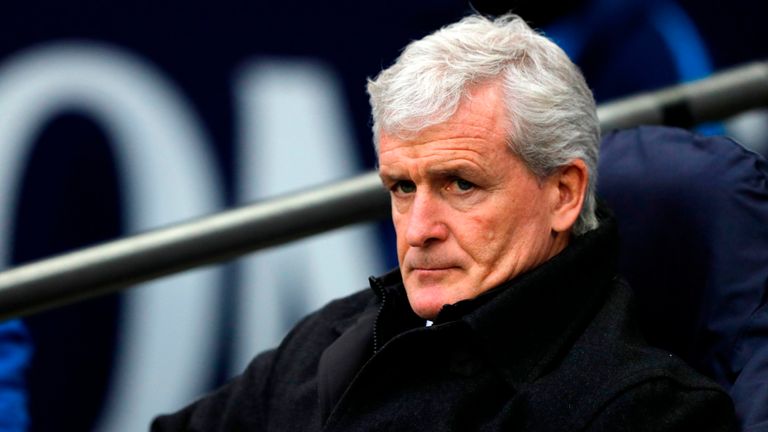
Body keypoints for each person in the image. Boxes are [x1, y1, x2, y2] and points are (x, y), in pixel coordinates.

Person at [151, 13, 736, 431]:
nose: (419, 227)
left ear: (563, 193)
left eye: (460, 184)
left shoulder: (640, 410)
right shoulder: (331, 339)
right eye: (403, 187)